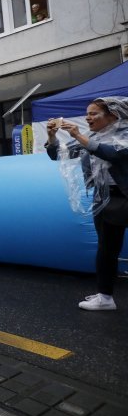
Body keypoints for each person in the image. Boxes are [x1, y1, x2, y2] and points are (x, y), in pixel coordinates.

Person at [45, 97, 128, 311]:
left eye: (93, 114)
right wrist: (52, 136)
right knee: (107, 248)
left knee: (108, 248)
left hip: (122, 196)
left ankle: (105, 296)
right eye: (87, 113)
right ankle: (105, 296)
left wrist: (78, 135)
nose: (87, 118)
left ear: (113, 115)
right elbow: (59, 155)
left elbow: (112, 153)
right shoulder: (92, 136)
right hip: (104, 197)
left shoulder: (124, 134)